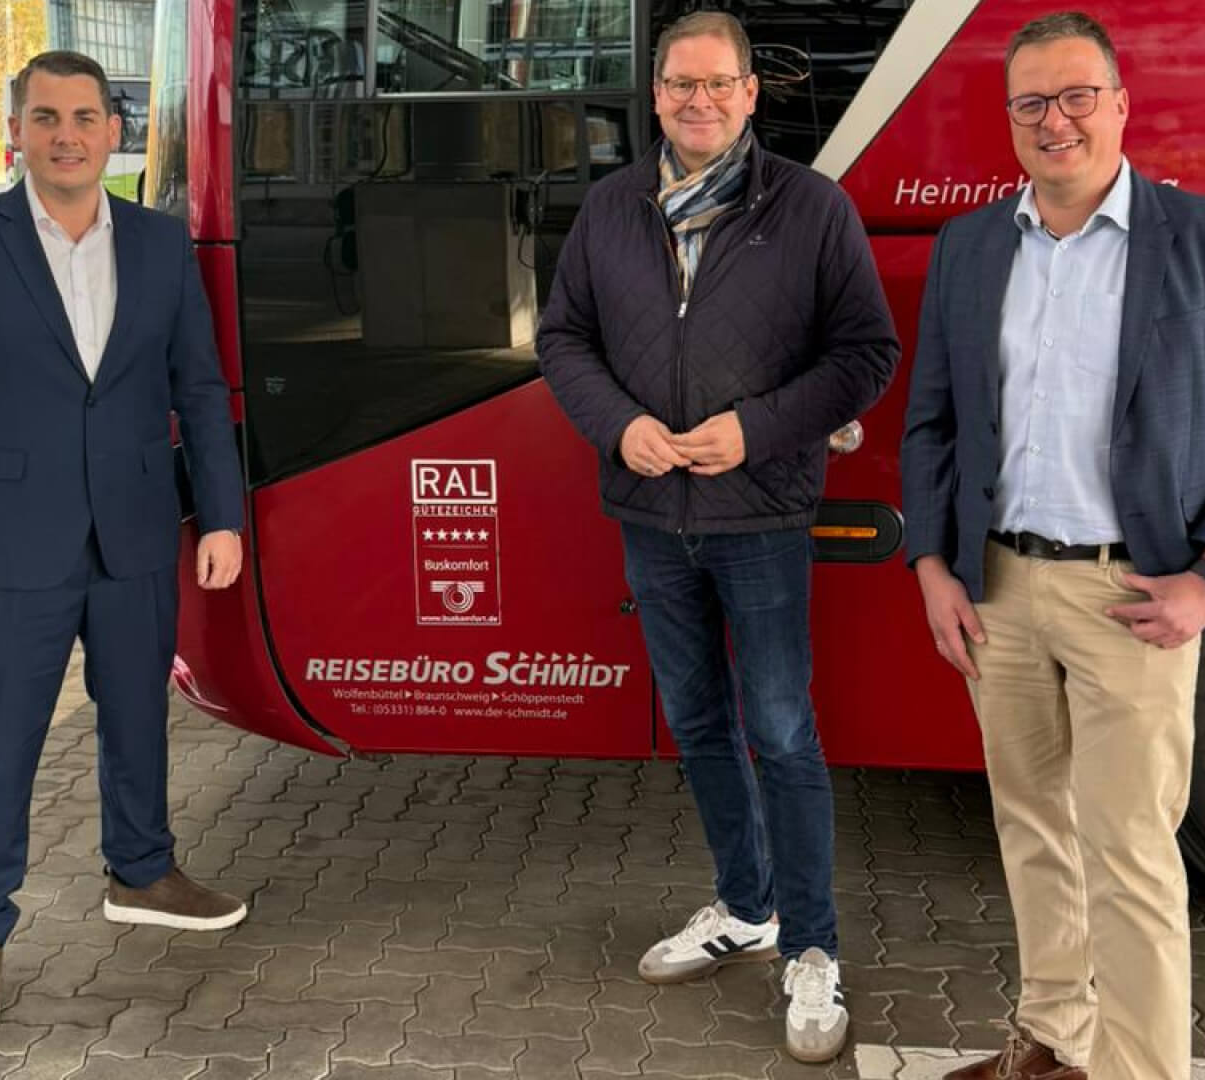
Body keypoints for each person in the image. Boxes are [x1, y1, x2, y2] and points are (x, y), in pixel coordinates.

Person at [901, 12, 1205, 1079]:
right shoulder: (971, 246)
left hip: (1134, 596)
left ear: (1122, 105)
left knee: (1129, 857)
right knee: (1032, 828)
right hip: (1001, 587)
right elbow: (932, 422)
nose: (1056, 120)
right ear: (1010, 122)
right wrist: (934, 566)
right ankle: (1051, 1042)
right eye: (1031, 102)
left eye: (1079, 95)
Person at [537, 10, 899, 1063]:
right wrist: (620, 426)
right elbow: (562, 337)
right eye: (680, 85)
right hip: (651, 517)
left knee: (783, 731)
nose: (699, 102)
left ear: (751, 95)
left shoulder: (811, 210)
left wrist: (755, 430)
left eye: (719, 84)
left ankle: (814, 948)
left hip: (763, 516)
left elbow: (864, 353)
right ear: (655, 96)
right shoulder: (609, 211)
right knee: (698, 722)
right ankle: (746, 908)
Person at [0, 49, 250, 1046]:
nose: (67, 135)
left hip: (132, 531)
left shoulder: (159, 242)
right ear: (19, 131)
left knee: (138, 714)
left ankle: (142, 870)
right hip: (4, 546)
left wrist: (221, 516)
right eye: (46, 117)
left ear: (113, 131)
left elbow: (201, 390)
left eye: (86, 116)